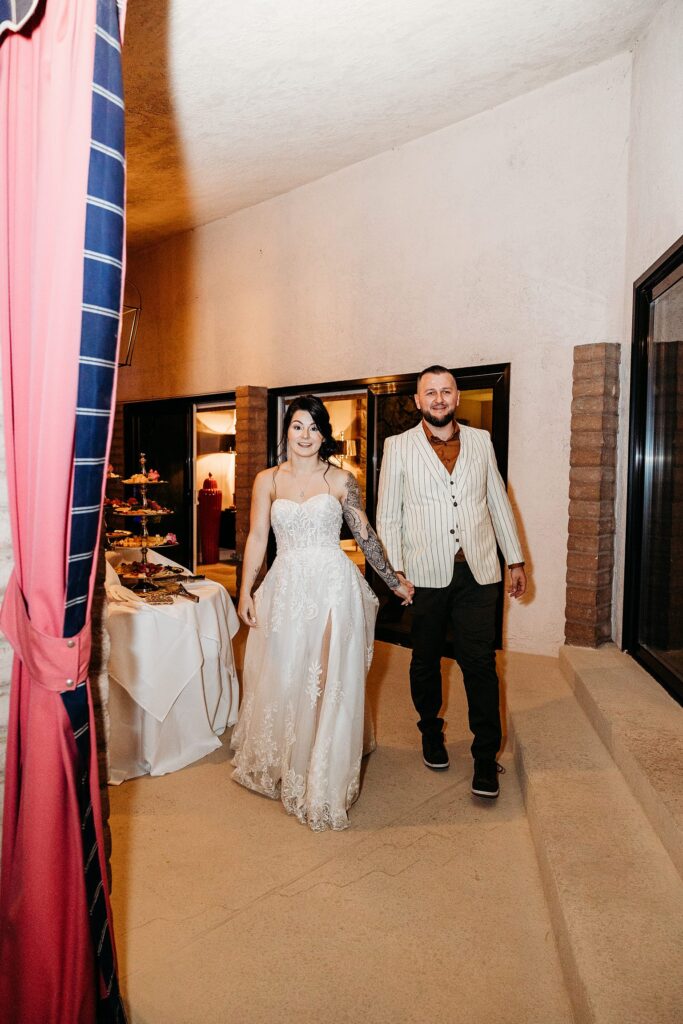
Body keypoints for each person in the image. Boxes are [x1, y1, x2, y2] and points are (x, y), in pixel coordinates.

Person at [231, 395, 413, 831]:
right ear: (287, 431)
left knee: (327, 676)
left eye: (314, 428)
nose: (306, 436)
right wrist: (245, 590)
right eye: (298, 426)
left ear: (323, 434)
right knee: (289, 673)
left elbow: (364, 535)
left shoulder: (341, 480)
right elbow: (257, 537)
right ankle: (292, 754)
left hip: (332, 585)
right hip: (286, 586)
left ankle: (322, 773)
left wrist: (393, 580)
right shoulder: (267, 480)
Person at [376, 365, 526, 799]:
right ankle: (429, 730)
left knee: (479, 664)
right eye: (430, 393)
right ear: (418, 401)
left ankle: (484, 757)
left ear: (457, 397)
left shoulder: (480, 441)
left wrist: (514, 558)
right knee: (424, 660)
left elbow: (498, 501)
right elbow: (389, 514)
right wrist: (395, 572)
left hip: (479, 571)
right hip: (424, 576)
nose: (439, 399)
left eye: (446, 391)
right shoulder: (398, 447)